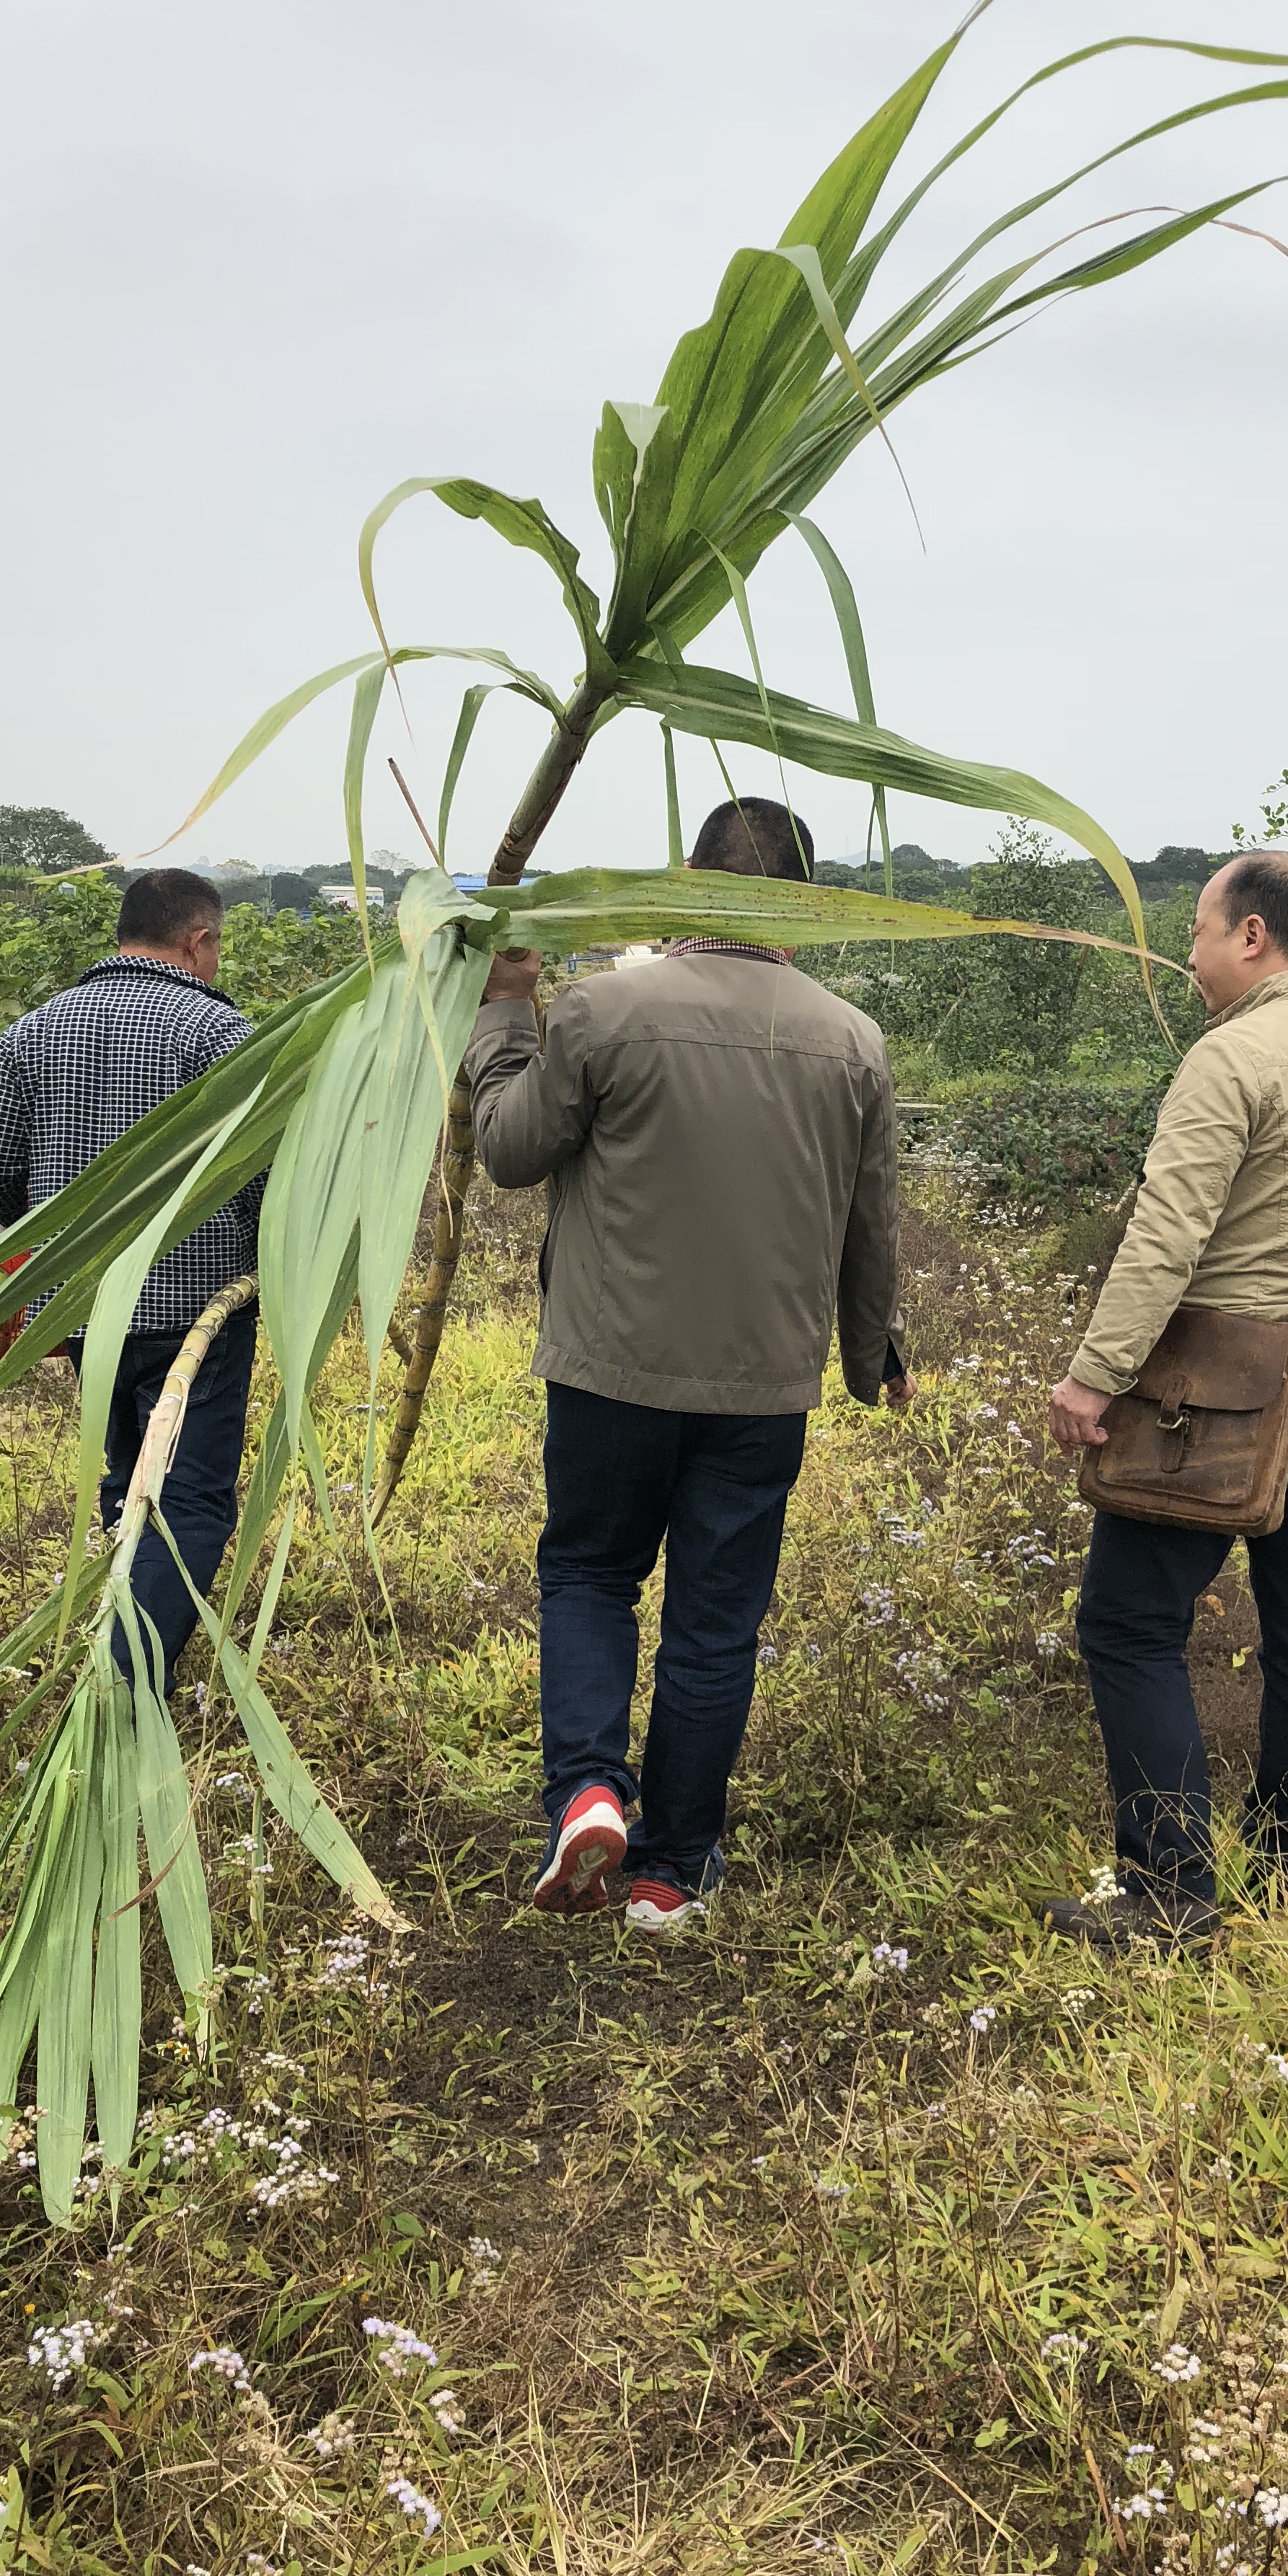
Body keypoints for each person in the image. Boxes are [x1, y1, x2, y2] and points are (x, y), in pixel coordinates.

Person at [465, 795, 915, 1933]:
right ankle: (670, 1875)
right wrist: (872, 1356)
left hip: (608, 1370)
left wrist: (505, 1012)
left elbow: (509, 1149)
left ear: (685, 884)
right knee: (715, 1623)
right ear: (803, 910)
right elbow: (872, 1224)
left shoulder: (603, 1011)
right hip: (763, 1385)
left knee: (590, 1575)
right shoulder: (853, 1042)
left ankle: (587, 1790)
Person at [1044, 850, 1288, 1948]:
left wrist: (1096, 1373)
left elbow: (1168, 1234)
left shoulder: (1232, 1057)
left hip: (1220, 1396)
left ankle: (1171, 1893)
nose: (1192, 957)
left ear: (1252, 935)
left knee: (1128, 1624)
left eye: (1199, 934)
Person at [0, 867, 260, 1686]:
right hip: (195, 1311)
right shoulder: (217, 1033)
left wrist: (39, 1237)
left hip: (81, 1308)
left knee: (129, 1479)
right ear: (199, 940)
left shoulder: (35, 1031)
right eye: (216, 947)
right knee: (190, 1499)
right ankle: (125, 1680)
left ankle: (124, 1636)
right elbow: (262, 1173)